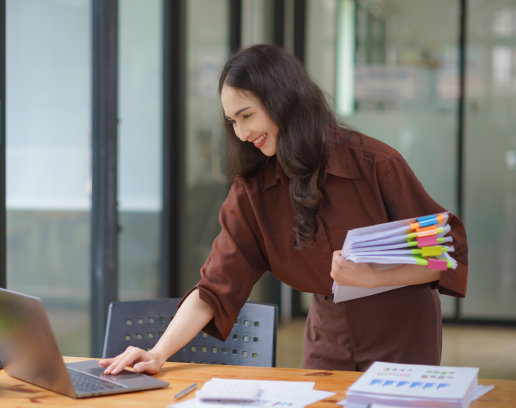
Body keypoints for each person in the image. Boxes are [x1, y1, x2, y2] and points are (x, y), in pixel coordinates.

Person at [100, 44, 468, 374]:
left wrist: (374, 277)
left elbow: (444, 254)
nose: (241, 133)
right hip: (329, 334)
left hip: (402, 331)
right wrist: (158, 352)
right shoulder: (254, 190)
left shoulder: (375, 164)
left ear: (282, 101)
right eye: (232, 122)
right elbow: (215, 287)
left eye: (246, 116)